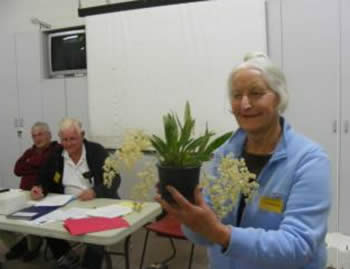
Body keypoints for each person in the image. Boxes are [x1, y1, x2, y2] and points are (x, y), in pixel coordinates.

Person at [156, 53, 331, 269]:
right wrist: (188, 217)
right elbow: (204, 236)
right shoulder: (225, 155)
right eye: (237, 95)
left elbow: (298, 247)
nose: (245, 104)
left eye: (256, 93)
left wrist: (220, 233)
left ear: (279, 97)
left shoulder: (309, 161)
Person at [31, 118, 121, 269]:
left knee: (95, 235)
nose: (68, 144)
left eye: (72, 139)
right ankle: (67, 257)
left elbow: (114, 179)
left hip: (96, 205)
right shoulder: (57, 154)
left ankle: (89, 265)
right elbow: (44, 177)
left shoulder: (96, 151)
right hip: (67, 205)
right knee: (44, 223)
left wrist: (95, 191)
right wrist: (39, 188)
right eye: (64, 140)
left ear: (82, 135)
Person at [5, 122, 59, 262]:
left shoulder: (56, 149)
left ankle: (32, 246)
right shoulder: (30, 151)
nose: (37, 138)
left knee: (31, 218)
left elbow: (46, 168)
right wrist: (36, 164)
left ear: (49, 135)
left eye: (40, 134)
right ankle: (19, 244)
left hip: (44, 195)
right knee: (3, 217)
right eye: (34, 136)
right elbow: (17, 169)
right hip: (23, 193)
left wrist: (30, 164)